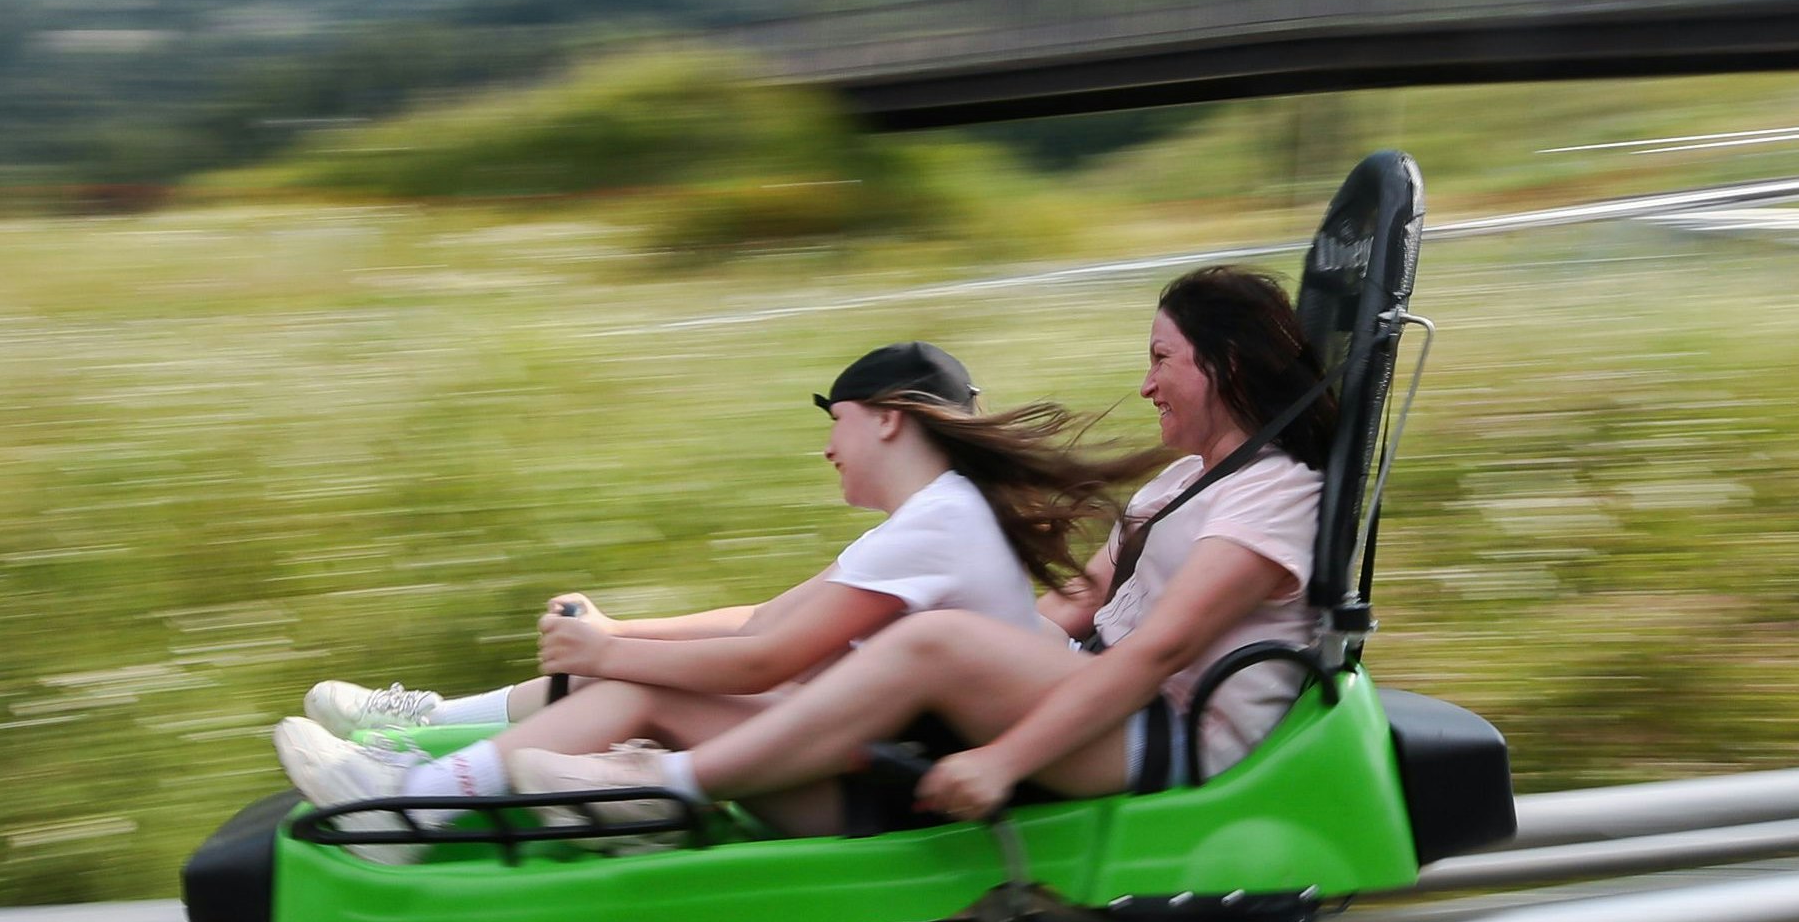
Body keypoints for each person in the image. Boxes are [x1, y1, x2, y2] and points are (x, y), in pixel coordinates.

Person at [466, 264, 1333, 832]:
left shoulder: (1279, 490)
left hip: (1177, 737)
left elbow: (1168, 646)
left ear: (1223, 364)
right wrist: (996, 648)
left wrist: (1002, 758)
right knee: (885, 638)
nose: (1145, 383)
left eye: (1161, 358)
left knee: (924, 637)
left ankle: (670, 785)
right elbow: (1082, 602)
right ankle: (471, 773)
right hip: (1104, 692)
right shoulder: (1179, 484)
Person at [271, 340, 1161, 856]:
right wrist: (620, 632)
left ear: (888, 416)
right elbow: (764, 621)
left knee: (646, 686)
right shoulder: (931, 519)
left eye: (834, 423)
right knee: (644, 674)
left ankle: (413, 799)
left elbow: (771, 658)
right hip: (859, 767)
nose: (827, 449)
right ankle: (420, 748)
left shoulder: (941, 522)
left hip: (882, 796)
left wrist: (612, 655)